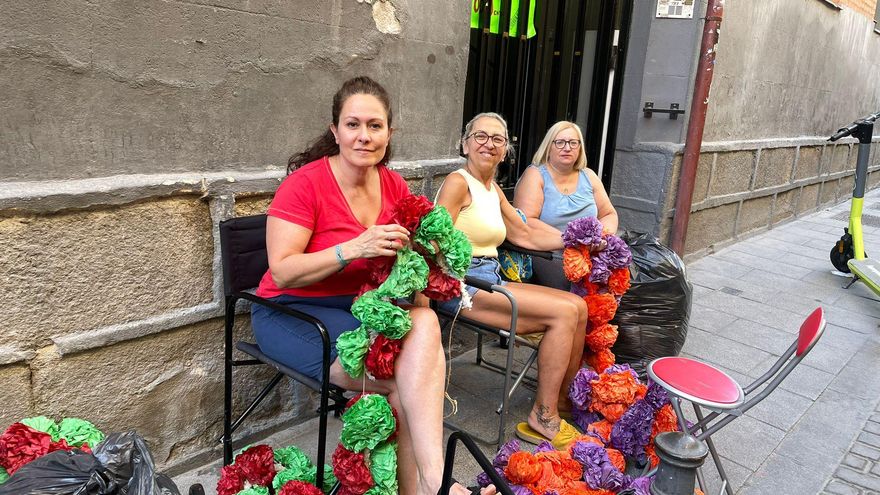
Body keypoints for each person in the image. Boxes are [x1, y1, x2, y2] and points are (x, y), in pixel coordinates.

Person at [251, 76, 495, 495]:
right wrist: (354, 247)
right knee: (408, 384)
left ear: (389, 133)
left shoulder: (394, 185)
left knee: (425, 322)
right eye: (353, 125)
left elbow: (408, 261)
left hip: (360, 309)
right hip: (291, 312)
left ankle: (433, 484)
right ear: (335, 131)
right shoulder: (305, 185)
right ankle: (435, 486)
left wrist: (429, 265)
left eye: (375, 126)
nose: (364, 136)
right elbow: (284, 270)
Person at [434, 112, 588, 449]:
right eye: (480, 136)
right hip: (464, 284)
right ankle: (543, 417)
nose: (489, 144)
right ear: (465, 143)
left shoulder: (492, 190)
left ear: (506, 151)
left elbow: (525, 234)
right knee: (563, 313)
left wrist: (581, 238)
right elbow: (432, 241)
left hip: (492, 276)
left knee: (578, 306)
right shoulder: (458, 182)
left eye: (497, 139)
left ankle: (562, 402)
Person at [512, 121, 618, 289]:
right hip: (548, 253)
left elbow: (608, 214)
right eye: (560, 142)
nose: (567, 148)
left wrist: (601, 236)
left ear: (580, 148)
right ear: (549, 146)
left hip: (590, 250)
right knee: (583, 286)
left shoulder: (589, 176)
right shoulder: (535, 175)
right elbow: (526, 221)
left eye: (573, 143)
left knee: (617, 280)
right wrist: (572, 240)